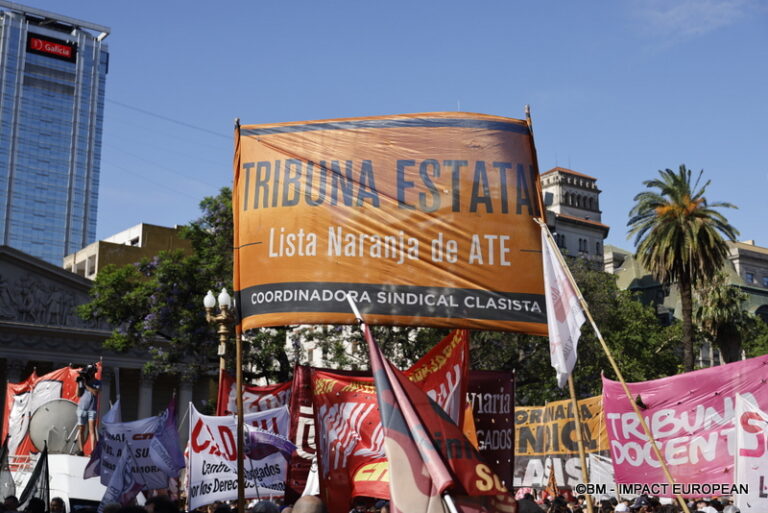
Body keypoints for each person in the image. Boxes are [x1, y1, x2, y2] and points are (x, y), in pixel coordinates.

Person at [75, 364, 101, 455]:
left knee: (92, 430)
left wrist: (86, 384)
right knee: (81, 429)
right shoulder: (83, 381)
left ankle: (93, 451)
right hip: (82, 408)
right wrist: (79, 384)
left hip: (92, 410)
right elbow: (78, 394)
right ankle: (81, 450)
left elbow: (95, 392)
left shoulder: (97, 382)